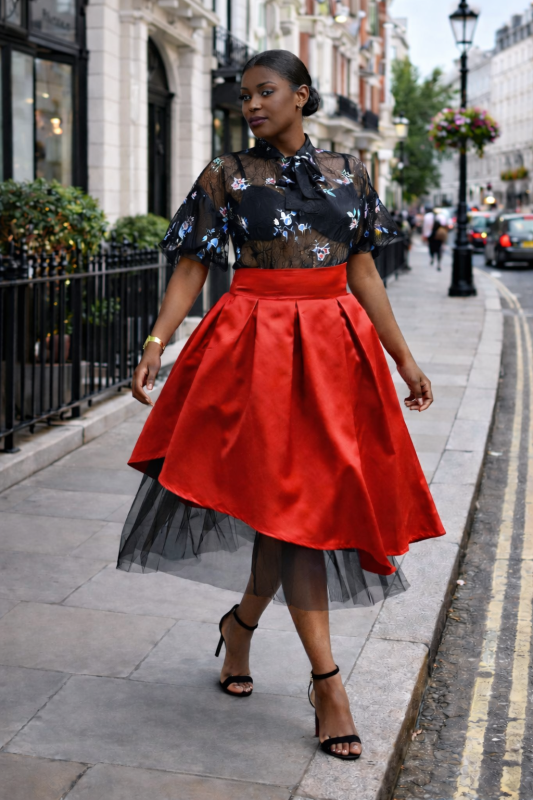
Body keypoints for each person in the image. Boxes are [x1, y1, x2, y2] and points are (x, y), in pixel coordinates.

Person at [116, 50, 445, 762]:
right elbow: (194, 263)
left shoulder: (350, 172)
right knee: (289, 517)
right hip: (253, 354)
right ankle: (327, 683)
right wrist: (156, 340)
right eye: (244, 96)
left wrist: (403, 358)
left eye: (264, 92)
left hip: (333, 353)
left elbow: (361, 267)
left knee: (297, 515)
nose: (251, 105)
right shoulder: (226, 174)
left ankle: (240, 628)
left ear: (300, 95)